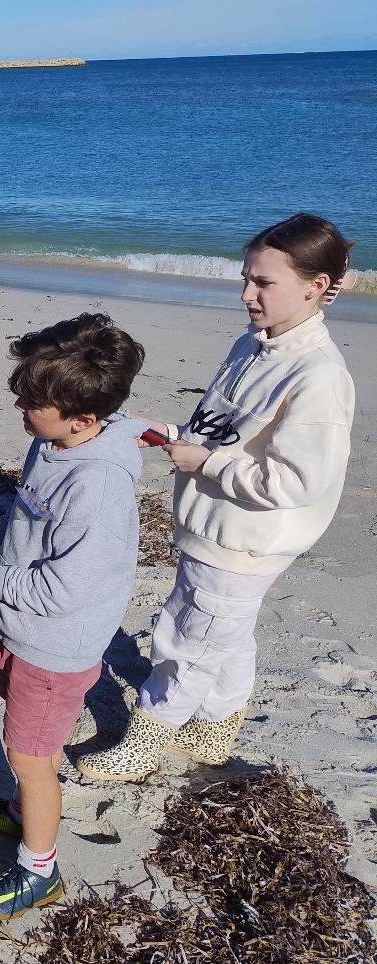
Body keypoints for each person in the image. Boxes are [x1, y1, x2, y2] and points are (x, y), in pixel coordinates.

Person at [76, 213, 357, 782]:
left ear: (318, 287)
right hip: (212, 522)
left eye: (265, 284)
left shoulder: (318, 377)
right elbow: (223, 428)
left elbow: (296, 483)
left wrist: (206, 461)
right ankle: (215, 729)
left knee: (187, 636)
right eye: (246, 278)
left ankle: (147, 741)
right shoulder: (251, 345)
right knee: (226, 634)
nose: (248, 295)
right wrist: (175, 436)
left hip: (246, 539)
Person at [0, 314, 148, 920]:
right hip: (24, 632)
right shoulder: (58, 439)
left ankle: (40, 868)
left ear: (84, 418)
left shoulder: (98, 486)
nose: (19, 406)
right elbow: (26, 512)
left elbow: (64, 589)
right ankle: (20, 807)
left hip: (55, 646)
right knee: (25, 739)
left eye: (34, 402)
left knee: (35, 759)